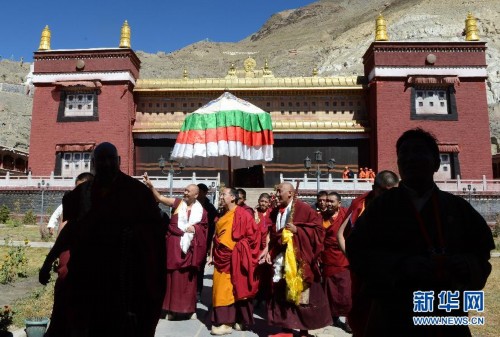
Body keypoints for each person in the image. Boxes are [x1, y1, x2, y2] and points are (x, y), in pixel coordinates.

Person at [346, 128, 495, 337]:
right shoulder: (381, 208)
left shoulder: (457, 208)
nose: (410, 159)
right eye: (404, 154)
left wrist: (466, 265)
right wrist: (400, 265)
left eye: (418, 152)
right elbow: (357, 252)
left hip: (444, 311)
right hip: (394, 312)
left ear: (436, 162)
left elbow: (481, 254)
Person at [40, 142, 166, 337]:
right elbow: (70, 230)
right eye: (101, 160)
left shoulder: (136, 192)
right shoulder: (83, 193)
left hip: (124, 276)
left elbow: (154, 232)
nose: (106, 164)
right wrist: (49, 261)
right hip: (87, 273)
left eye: (110, 159)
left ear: (119, 161)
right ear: (93, 163)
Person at [266, 182, 331, 337]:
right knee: (282, 293)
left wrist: (298, 230)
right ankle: (286, 329)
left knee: (301, 296)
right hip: (282, 258)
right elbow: (274, 234)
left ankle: (303, 331)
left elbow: (318, 230)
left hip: (298, 258)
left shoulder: (303, 208)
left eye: (279, 191)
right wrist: (269, 250)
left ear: (290, 193)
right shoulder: (276, 211)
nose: (276, 194)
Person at [142, 176, 208, 320]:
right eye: (184, 190)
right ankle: (171, 310)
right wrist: (150, 185)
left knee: (188, 281)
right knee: (172, 278)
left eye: (188, 191)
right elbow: (159, 198)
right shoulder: (178, 203)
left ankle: (190, 310)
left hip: (190, 249)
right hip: (174, 245)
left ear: (196, 195)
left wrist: (195, 229)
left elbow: (204, 229)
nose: (185, 193)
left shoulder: (201, 212)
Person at [39, 172, 94, 337]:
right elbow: (62, 240)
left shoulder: (102, 211)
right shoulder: (74, 211)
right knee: (63, 318)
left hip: (92, 280)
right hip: (68, 274)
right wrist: (46, 265)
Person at [208, 187, 260, 335]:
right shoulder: (223, 214)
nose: (221, 196)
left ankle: (227, 323)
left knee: (234, 288)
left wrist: (238, 249)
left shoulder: (243, 214)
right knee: (222, 288)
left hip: (236, 257)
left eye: (223, 194)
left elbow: (253, 236)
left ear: (232, 197)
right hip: (222, 256)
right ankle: (236, 320)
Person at [321, 191, 352, 333]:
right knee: (331, 291)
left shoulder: (346, 215)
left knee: (346, 291)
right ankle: (333, 317)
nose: (328, 204)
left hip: (342, 256)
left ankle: (348, 320)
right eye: (327, 201)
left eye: (332, 201)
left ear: (339, 203)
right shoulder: (321, 216)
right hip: (327, 257)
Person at [196, 183, 218, 303]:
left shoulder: (210, 208)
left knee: (200, 267)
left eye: (200, 192)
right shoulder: (191, 205)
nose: (198, 194)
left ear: (204, 193)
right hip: (191, 241)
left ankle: (198, 291)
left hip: (205, 241)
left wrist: (211, 246)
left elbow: (215, 226)